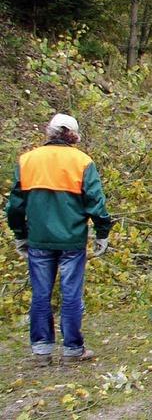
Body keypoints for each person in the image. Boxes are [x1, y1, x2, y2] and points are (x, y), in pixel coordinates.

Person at [5, 113, 112, 366]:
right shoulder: (82, 162)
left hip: (39, 239)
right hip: (72, 239)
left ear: (49, 131)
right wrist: (102, 232)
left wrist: (20, 234)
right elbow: (95, 202)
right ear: (73, 135)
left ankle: (41, 350)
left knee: (40, 294)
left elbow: (15, 206)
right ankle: (73, 349)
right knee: (71, 293)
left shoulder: (27, 160)